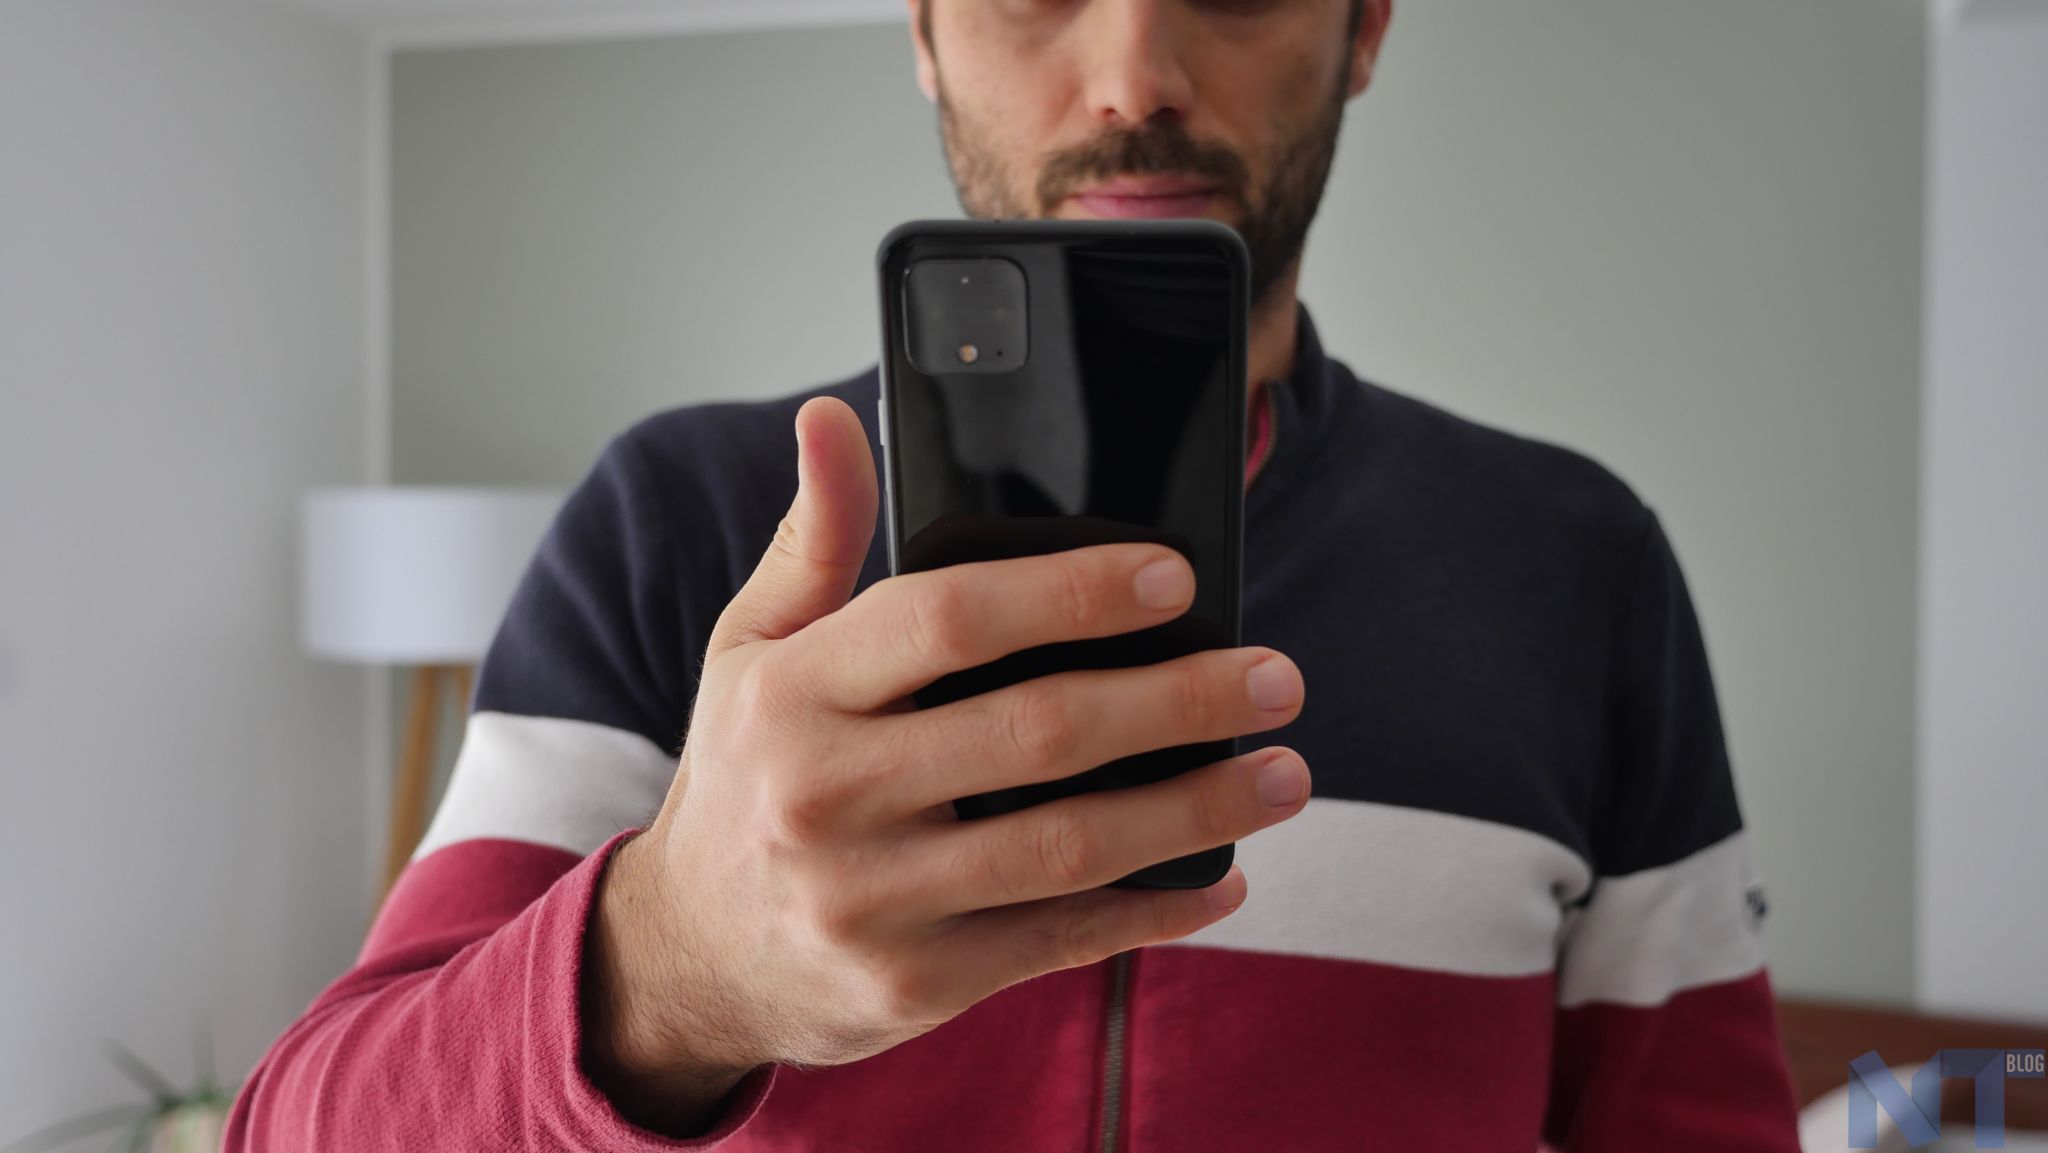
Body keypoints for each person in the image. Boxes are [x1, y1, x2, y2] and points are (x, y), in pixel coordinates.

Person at [228, 1, 1804, 1148]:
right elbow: (307, 1128)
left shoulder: (1576, 562)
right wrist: (673, 969)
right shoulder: (676, 522)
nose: (1134, 76)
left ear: (1365, 27)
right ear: (924, 27)